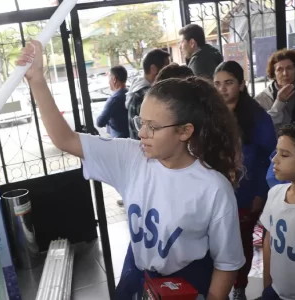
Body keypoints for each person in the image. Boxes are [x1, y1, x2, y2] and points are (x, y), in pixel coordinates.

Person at [17, 40, 245, 300]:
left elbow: (227, 263)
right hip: (138, 277)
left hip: (188, 285)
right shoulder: (131, 156)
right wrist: (36, 79)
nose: (142, 133)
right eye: (141, 122)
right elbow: (65, 139)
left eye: (153, 127)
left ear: (185, 131)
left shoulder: (213, 188)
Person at [213, 61, 277, 300]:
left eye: (228, 83)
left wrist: (261, 193)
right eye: (217, 84)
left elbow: (271, 157)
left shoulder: (256, 116)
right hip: (216, 190)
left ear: (241, 84)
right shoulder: (212, 116)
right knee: (216, 241)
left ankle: (239, 286)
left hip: (246, 191)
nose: (222, 89)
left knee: (241, 241)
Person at [260, 122, 295, 300]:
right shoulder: (275, 194)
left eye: (285, 154)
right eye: (277, 152)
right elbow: (269, 239)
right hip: (275, 291)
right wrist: (267, 283)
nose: (274, 159)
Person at [126, 49, 170, 140]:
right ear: (153, 69)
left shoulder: (137, 88)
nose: (169, 72)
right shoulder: (148, 96)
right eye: (166, 67)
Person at [255, 49, 295, 131]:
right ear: (273, 73)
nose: (285, 73)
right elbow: (263, 127)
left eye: (289, 68)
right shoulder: (261, 99)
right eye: (279, 70)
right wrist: (279, 102)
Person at [96, 66, 129, 138]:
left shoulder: (114, 99)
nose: (108, 82)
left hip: (119, 139)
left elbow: (100, 122)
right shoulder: (130, 93)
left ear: (114, 80)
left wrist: (108, 120)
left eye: (109, 79)